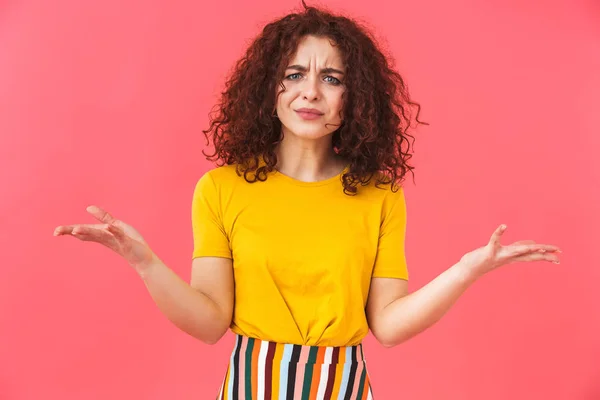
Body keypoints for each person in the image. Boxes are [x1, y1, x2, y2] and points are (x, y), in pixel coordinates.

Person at [53, 2, 561, 399]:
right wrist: (143, 262)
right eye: (294, 74)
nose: (310, 92)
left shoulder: (379, 195)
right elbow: (210, 322)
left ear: (353, 97)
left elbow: (387, 324)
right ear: (269, 90)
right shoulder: (221, 189)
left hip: (344, 385)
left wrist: (467, 270)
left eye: (332, 79)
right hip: (251, 385)